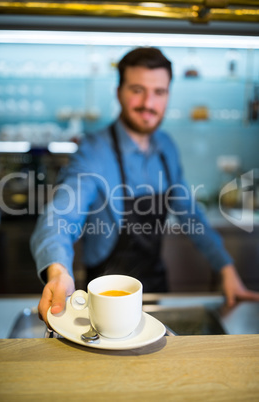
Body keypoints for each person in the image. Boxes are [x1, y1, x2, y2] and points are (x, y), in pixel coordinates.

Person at [31, 47, 259, 325]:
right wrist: (57, 272)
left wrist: (225, 267)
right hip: (104, 304)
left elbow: (189, 213)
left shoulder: (166, 147)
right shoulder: (93, 152)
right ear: (119, 93)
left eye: (159, 92)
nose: (148, 103)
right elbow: (60, 215)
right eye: (137, 90)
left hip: (157, 294)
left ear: (168, 95)